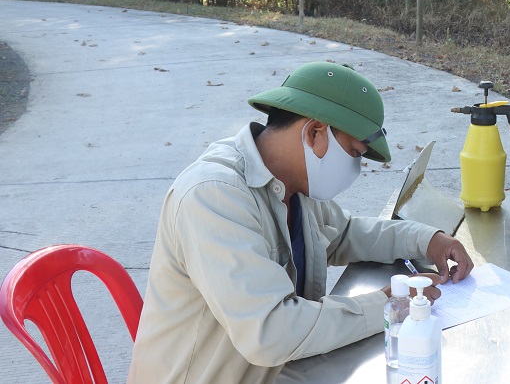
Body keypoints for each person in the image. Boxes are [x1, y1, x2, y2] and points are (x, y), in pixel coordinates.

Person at [128, 61, 474, 383]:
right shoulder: (214, 196)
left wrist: (427, 239)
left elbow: (346, 234)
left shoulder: (293, 186)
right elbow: (270, 332)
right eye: (353, 153)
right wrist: (387, 305)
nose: (355, 169)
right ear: (314, 133)